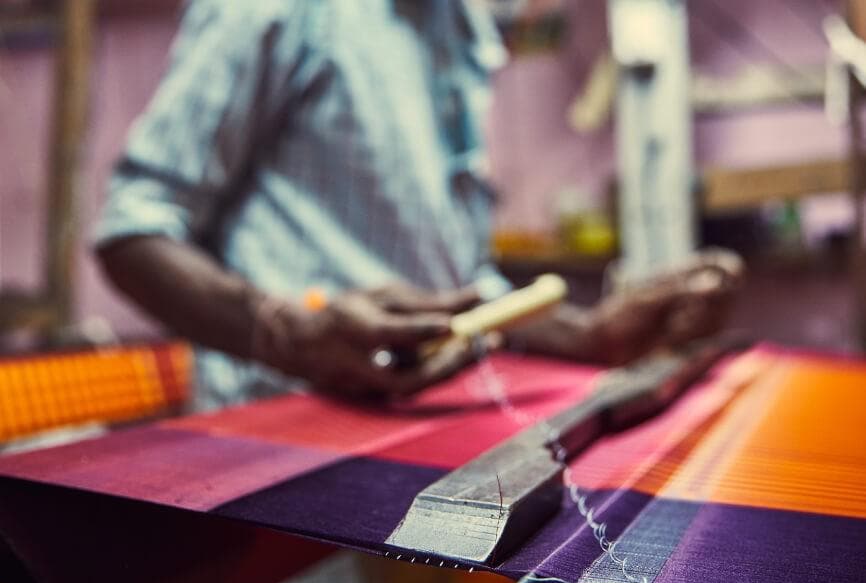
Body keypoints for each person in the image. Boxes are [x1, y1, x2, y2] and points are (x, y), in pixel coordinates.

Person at [95, 0, 741, 411]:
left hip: (416, 434)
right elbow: (134, 228)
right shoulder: (278, 10)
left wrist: (591, 335)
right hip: (278, 437)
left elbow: (454, 284)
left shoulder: (457, 24)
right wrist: (288, 334)